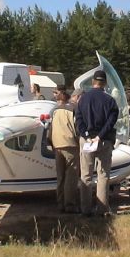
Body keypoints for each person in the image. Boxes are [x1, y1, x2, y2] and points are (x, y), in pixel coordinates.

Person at [75, 70, 119, 216]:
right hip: (104, 140)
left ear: (92, 81)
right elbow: (111, 122)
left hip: (86, 141)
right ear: (105, 83)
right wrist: (99, 136)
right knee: (103, 175)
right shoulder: (110, 100)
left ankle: (85, 209)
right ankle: (101, 210)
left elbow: (79, 120)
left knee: (86, 175)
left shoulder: (83, 99)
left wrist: (87, 136)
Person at [50, 85, 80, 213]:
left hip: (57, 145)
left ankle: (60, 203)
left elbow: (49, 129)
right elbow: (77, 129)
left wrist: (51, 143)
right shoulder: (73, 109)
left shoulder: (54, 110)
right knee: (71, 177)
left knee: (60, 176)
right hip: (70, 145)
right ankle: (70, 205)